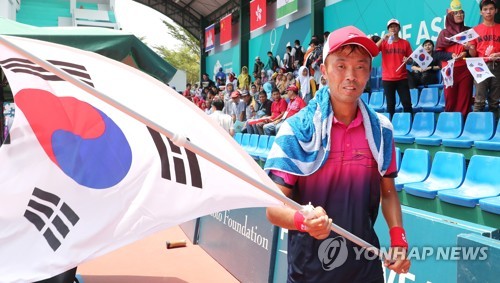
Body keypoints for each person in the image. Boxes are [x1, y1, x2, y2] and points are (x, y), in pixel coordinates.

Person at [265, 26, 410, 282]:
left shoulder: (382, 131)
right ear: (324, 71)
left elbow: (387, 191)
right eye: (341, 66)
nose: (351, 76)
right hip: (309, 271)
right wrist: (302, 220)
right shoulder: (295, 130)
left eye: (361, 67)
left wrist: (398, 237)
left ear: (369, 73)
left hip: (365, 267)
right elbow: (273, 208)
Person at [435, 0, 473, 118]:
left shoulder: (468, 30)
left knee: (464, 99)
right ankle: (451, 125)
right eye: (456, 13)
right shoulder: (444, 33)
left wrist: (465, 53)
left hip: (465, 70)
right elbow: (437, 54)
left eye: (461, 12)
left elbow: (473, 51)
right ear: (450, 16)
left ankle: (463, 124)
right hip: (449, 71)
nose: (459, 15)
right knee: (450, 99)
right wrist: (450, 56)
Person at [376, 19, 413, 119]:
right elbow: (374, 50)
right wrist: (383, 38)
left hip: (402, 78)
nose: (393, 28)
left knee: (407, 103)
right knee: (390, 105)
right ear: (388, 29)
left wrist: (408, 60)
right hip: (388, 79)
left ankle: (409, 124)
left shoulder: (405, 43)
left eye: (395, 26)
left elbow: (411, 60)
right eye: (391, 26)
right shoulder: (384, 43)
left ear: (399, 28)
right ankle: (391, 127)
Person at [469, 0, 500, 120]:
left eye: (491, 9)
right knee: (479, 100)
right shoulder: (475, 30)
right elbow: (473, 54)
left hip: (497, 66)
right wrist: (471, 47)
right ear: (481, 12)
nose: (488, 12)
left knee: (494, 101)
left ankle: (495, 130)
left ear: (496, 10)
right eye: (485, 9)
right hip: (480, 66)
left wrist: (498, 54)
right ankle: (476, 128)